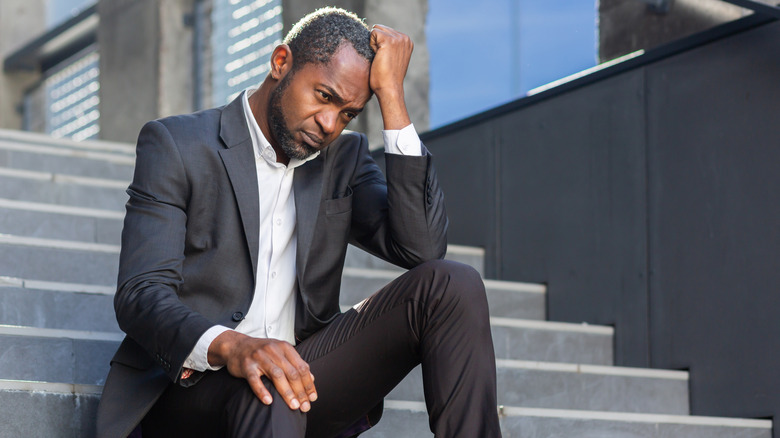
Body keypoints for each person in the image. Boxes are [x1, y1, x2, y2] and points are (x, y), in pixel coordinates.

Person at [96, 7, 500, 438]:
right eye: (324, 96)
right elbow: (141, 294)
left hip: (300, 373)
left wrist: (393, 98)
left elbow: (420, 248)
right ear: (280, 62)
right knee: (272, 387)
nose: (329, 124)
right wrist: (234, 347)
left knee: (451, 285)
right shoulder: (178, 144)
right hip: (191, 388)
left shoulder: (342, 158)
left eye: (348, 113)